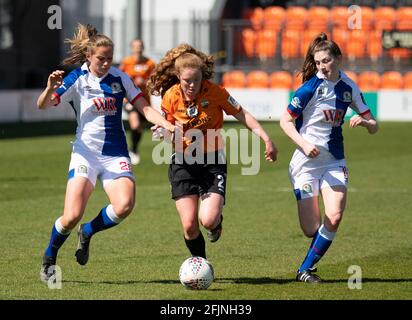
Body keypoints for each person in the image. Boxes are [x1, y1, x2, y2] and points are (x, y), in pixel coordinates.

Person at [37, 24, 174, 283]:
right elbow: (43, 105)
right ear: (89, 56)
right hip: (85, 154)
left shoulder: (120, 77)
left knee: (124, 205)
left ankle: (88, 231)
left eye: (110, 58)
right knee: (70, 216)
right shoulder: (77, 78)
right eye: (101, 58)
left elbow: (144, 108)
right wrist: (48, 87)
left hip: (115, 153)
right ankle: (50, 257)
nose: (106, 62)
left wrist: (167, 124)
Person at [147, 43, 278, 260]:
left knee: (207, 220)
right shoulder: (170, 96)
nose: (192, 85)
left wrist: (266, 138)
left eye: (196, 80)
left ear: (202, 77)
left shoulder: (215, 92)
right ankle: (201, 264)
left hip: (212, 162)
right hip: (182, 163)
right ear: (178, 76)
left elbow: (242, 114)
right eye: (187, 80)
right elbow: (166, 129)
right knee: (189, 225)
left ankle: (216, 224)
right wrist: (162, 132)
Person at [279, 33, 378, 283]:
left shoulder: (349, 87)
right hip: (305, 164)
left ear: (338, 59)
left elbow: (374, 124)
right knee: (311, 229)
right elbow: (285, 121)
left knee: (334, 216)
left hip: (334, 160)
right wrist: (303, 144)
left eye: (326, 60)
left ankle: (305, 269)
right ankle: (313, 254)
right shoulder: (310, 87)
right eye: (318, 62)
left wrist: (365, 122)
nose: (322, 66)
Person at [119, 39, 156, 165]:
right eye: (135, 46)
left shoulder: (150, 63)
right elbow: (118, 79)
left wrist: (145, 82)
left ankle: (134, 149)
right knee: (135, 124)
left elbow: (155, 81)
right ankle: (131, 151)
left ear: (143, 47)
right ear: (131, 48)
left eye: (140, 46)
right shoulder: (126, 62)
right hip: (129, 99)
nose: (138, 48)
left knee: (139, 128)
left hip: (143, 100)